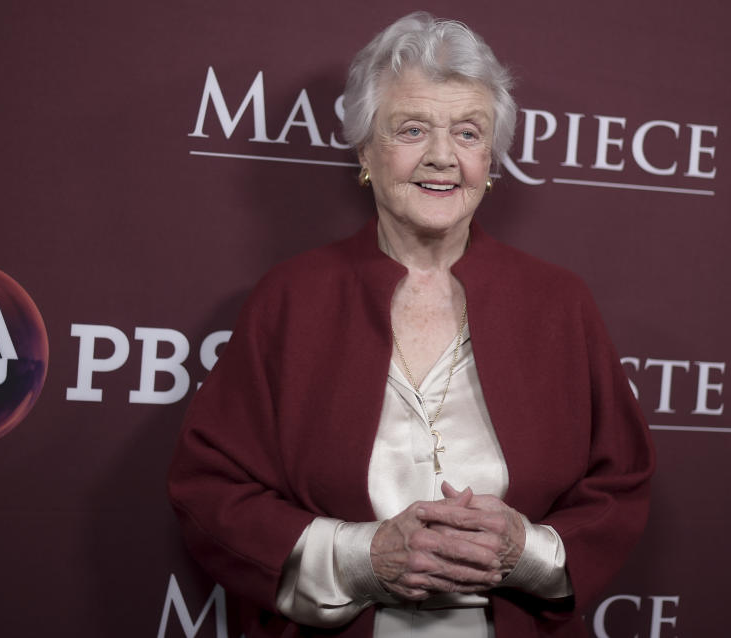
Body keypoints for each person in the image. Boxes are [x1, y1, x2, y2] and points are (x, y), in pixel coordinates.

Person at [168, 12, 654, 638]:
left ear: (492, 160)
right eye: (413, 129)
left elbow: (620, 484)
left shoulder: (560, 303)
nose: (443, 157)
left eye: (469, 133)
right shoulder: (290, 299)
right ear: (367, 149)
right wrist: (360, 558)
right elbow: (210, 489)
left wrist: (528, 551)